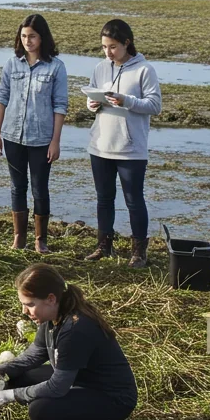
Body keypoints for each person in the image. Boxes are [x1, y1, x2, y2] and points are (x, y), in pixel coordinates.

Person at [0, 264, 137, 420]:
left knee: (41, 411)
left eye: (29, 304)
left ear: (50, 299)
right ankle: (80, 412)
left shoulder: (75, 329)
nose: (24, 311)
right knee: (19, 377)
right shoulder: (52, 318)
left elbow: (57, 387)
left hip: (113, 399)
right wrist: (3, 371)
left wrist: (11, 395)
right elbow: (34, 355)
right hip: (81, 380)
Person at [83, 19, 161, 267]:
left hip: (130, 150)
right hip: (100, 145)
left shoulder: (144, 70)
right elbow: (92, 98)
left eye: (113, 46)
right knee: (103, 198)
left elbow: (155, 105)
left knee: (133, 200)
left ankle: (139, 252)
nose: (108, 52)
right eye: (104, 47)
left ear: (127, 43)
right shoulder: (100, 68)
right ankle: (104, 246)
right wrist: (92, 104)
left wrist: (126, 100)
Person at [0, 14, 68, 253]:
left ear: (42, 37)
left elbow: (60, 105)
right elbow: (2, 99)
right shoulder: (12, 63)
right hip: (12, 135)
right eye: (24, 36)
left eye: (32, 36)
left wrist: (55, 141)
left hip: (41, 138)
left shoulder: (56, 67)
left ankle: (40, 240)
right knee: (17, 187)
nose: (27, 41)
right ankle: (19, 238)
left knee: (39, 188)